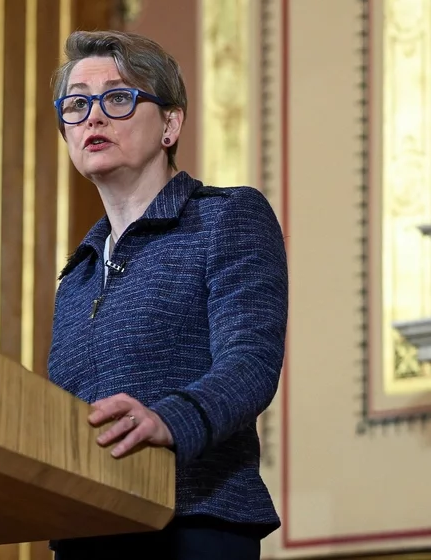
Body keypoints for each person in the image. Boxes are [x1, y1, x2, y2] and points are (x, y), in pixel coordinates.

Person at [46, 30, 288, 559]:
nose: (93, 118)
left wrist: (167, 421)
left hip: (193, 523)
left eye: (117, 98)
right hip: (87, 530)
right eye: (77, 105)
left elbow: (250, 364)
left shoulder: (225, 218)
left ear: (170, 125)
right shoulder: (78, 274)